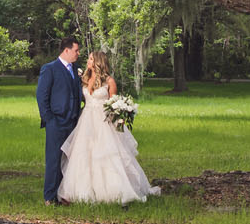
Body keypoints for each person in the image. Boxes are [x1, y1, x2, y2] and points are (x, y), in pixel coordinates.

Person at [57, 50, 160, 204]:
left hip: (104, 122)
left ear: (98, 62)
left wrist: (120, 120)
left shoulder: (109, 82)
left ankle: (112, 191)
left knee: (107, 154)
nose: (88, 61)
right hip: (86, 121)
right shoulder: (85, 79)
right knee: (83, 154)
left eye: (91, 59)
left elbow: (114, 104)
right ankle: (80, 192)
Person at [36, 39, 84, 205]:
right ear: (66, 50)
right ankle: (49, 197)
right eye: (76, 50)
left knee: (70, 160)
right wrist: (49, 119)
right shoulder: (49, 69)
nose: (78, 54)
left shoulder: (77, 70)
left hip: (73, 122)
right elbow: (41, 96)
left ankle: (63, 194)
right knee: (54, 159)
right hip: (56, 121)